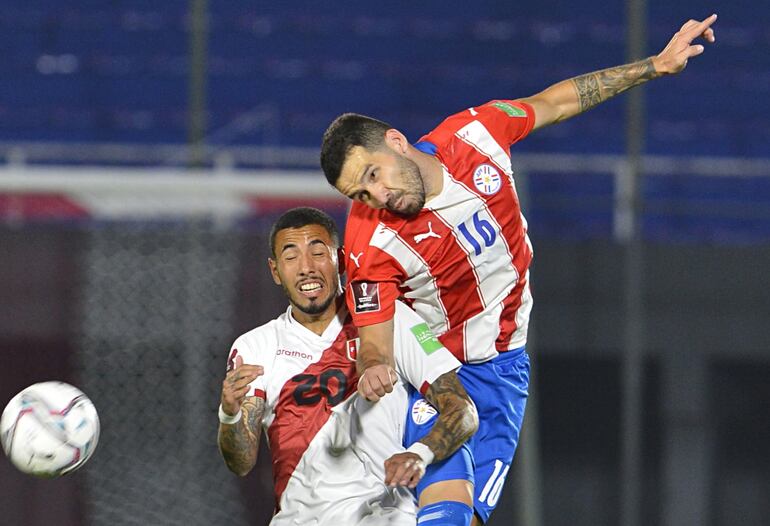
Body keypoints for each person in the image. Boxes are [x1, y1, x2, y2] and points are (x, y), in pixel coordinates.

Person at [320, 15, 718, 525]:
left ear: (396, 142)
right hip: (437, 370)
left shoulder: (476, 133)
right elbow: (378, 338)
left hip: (506, 368)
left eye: (373, 175)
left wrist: (654, 67)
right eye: (360, 193)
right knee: (443, 509)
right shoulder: (368, 238)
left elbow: (555, 101)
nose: (377, 196)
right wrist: (374, 366)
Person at [217, 207, 479, 525]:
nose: (306, 268)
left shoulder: (390, 319)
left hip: (384, 516)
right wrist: (229, 414)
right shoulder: (255, 347)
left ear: (340, 260)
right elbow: (242, 462)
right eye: (291, 257)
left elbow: (462, 411)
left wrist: (420, 455)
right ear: (275, 271)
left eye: (318, 252)